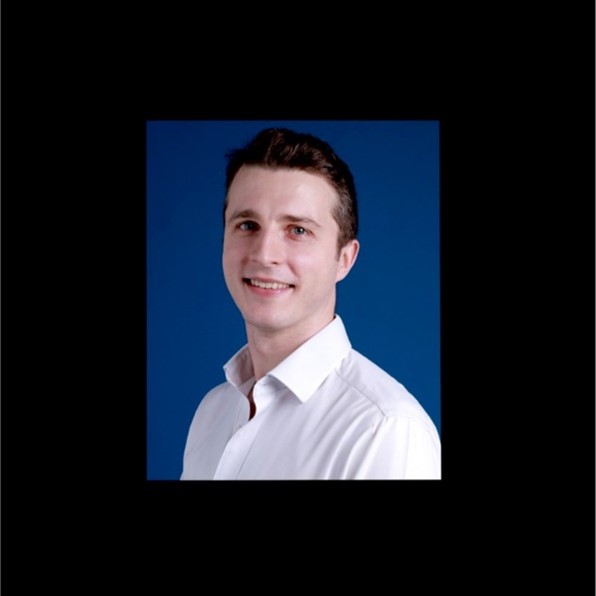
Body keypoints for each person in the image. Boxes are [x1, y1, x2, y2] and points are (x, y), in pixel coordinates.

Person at [180, 127, 441, 480]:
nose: (265, 254)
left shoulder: (384, 431)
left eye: (298, 230)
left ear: (344, 259)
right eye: (248, 225)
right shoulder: (212, 412)